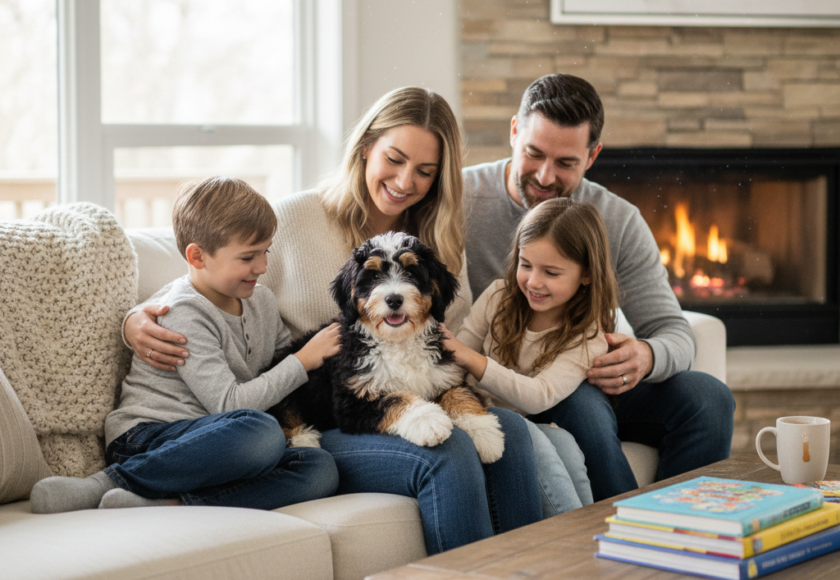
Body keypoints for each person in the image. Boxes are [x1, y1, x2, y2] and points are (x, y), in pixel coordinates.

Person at [122, 88, 543, 554]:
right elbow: (207, 276)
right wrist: (135, 319)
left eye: (425, 171)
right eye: (395, 159)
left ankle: (525, 569)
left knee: (516, 434)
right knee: (449, 453)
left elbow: (449, 337)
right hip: (332, 411)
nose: (406, 181)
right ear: (365, 148)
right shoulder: (295, 218)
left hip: (414, 382)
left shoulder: (438, 234)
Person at [462, 73, 736, 502]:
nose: (545, 176)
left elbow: (674, 332)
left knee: (709, 399)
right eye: (534, 153)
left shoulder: (618, 220)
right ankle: (628, 528)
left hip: (581, 369)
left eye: (566, 163)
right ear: (514, 131)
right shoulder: (461, 199)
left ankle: (688, 529)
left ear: (592, 156)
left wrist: (646, 356)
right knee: (583, 406)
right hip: (515, 382)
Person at [30, 177, 340, 514]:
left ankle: (171, 502)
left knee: (319, 468)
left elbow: (278, 375)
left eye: (266, 251)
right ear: (197, 256)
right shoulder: (184, 311)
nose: (262, 267)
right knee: (261, 432)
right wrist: (303, 360)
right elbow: (230, 404)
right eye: (248, 257)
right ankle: (106, 483)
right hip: (148, 440)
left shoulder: (261, 301)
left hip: (215, 442)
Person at [443, 197, 619, 513]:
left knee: (564, 442)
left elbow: (539, 397)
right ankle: (577, 540)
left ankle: (591, 533)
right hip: (473, 412)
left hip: (521, 420)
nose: (534, 282)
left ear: (587, 275)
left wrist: (473, 359)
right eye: (526, 265)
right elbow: (456, 356)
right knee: (533, 438)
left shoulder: (588, 337)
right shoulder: (499, 296)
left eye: (551, 272)